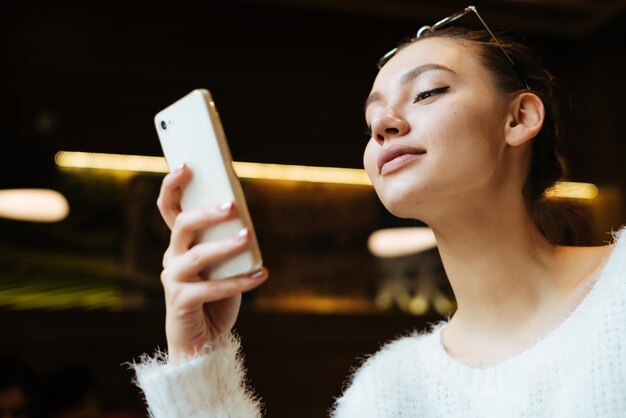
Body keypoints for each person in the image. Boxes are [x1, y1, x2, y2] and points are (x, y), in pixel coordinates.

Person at [131, 6, 626, 417]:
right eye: (371, 122)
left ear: (519, 118)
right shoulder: (389, 388)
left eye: (428, 92)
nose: (385, 124)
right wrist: (199, 357)